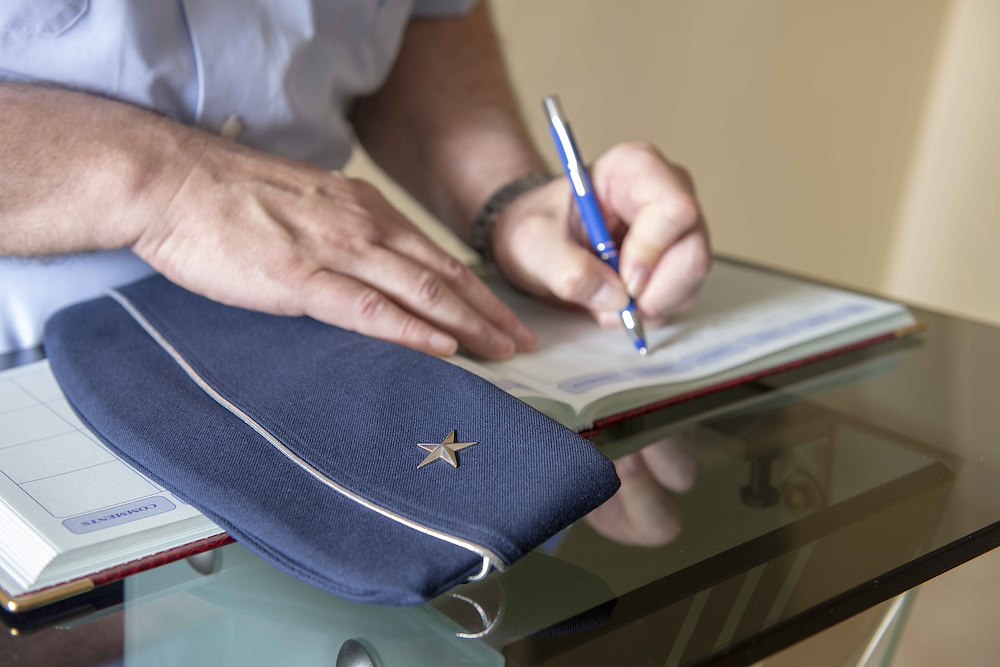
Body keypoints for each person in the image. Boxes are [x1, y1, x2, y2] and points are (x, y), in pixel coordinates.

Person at [0, 1, 710, 359]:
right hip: (25, 366)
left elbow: (419, 22)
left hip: (317, 350)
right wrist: (167, 185)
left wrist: (511, 203)